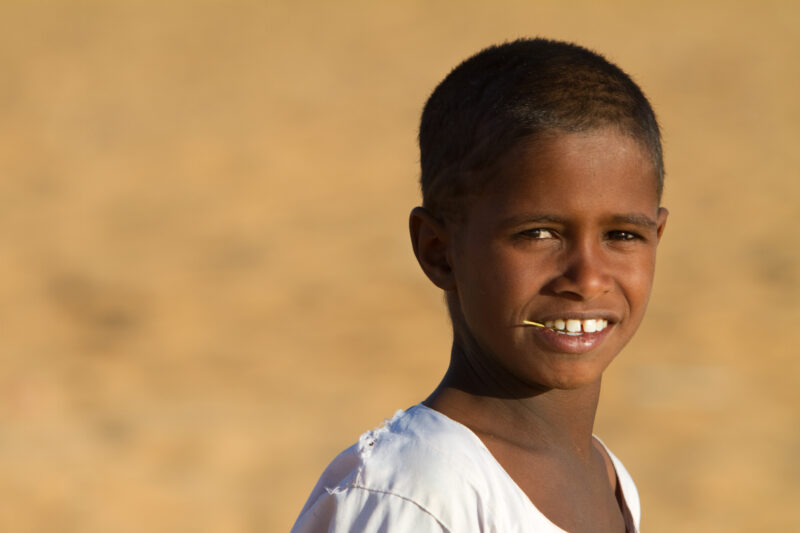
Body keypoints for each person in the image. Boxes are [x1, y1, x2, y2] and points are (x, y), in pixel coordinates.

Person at [291, 37, 668, 533]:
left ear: (657, 235)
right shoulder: (417, 494)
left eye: (622, 235)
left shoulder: (607, 476)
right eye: (537, 234)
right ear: (438, 251)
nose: (588, 278)